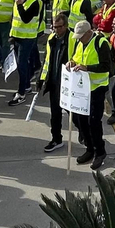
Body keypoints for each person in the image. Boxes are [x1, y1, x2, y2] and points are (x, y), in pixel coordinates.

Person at [66, 20, 112, 170]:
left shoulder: (101, 43)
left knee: (94, 122)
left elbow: (107, 67)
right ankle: (90, 149)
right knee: (81, 120)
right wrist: (71, 63)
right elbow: (75, 58)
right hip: (82, 89)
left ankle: (100, 151)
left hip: (97, 88)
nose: (78, 39)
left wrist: (87, 68)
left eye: (81, 36)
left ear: (88, 33)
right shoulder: (80, 43)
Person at [37, 16, 71, 153]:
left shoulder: (72, 39)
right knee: (55, 114)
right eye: (54, 27)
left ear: (66, 26)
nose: (56, 30)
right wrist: (41, 78)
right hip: (54, 82)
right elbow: (46, 61)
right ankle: (56, 139)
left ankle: (86, 136)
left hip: (67, 84)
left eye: (59, 27)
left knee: (74, 113)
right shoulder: (51, 39)